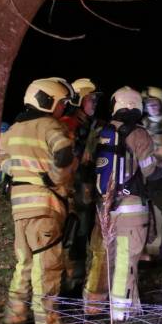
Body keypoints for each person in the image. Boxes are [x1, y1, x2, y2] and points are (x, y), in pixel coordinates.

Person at [83, 87, 162, 319]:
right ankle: (121, 313)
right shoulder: (138, 134)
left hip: (105, 207)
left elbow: (87, 165)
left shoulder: (101, 131)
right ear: (136, 106)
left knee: (105, 258)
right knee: (126, 261)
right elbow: (150, 171)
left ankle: (93, 306)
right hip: (131, 210)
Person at [0, 78, 77, 324]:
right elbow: (65, 153)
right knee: (48, 267)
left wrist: (19, 175)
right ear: (49, 101)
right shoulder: (49, 125)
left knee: (24, 263)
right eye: (62, 103)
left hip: (19, 209)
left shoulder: (13, 130)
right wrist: (53, 178)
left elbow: (1, 160)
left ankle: (14, 314)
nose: (63, 109)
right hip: (45, 206)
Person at [60, 78, 105, 294]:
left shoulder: (92, 125)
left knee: (85, 238)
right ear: (78, 100)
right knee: (74, 239)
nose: (95, 103)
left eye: (96, 99)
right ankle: (69, 288)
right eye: (91, 99)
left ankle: (78, 285)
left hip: (87, 193)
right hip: (74, 194)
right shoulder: (69, 125)